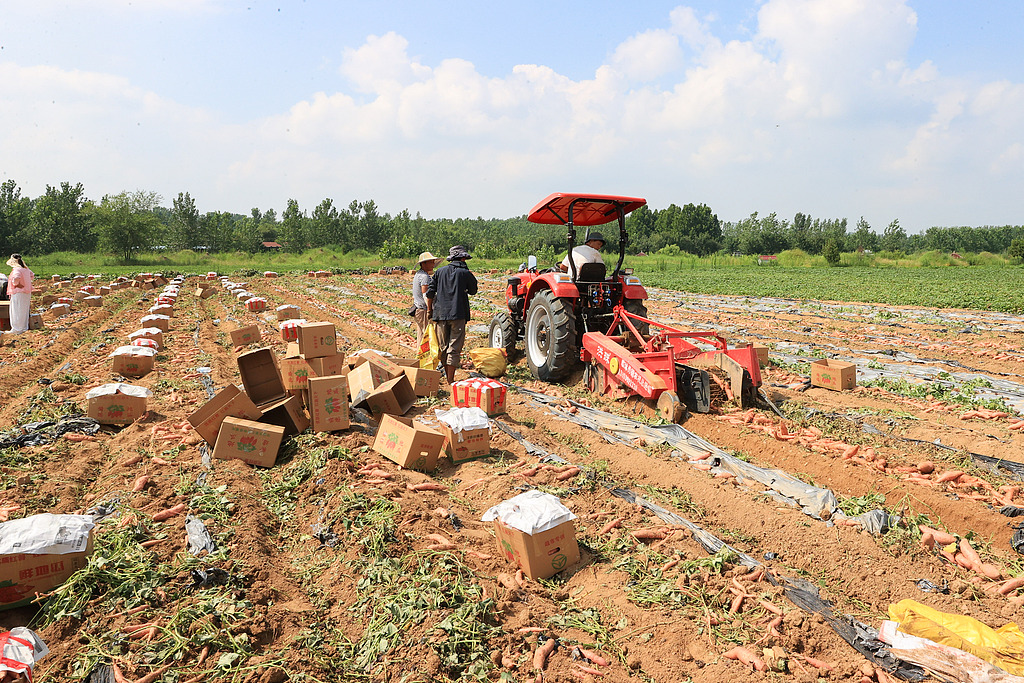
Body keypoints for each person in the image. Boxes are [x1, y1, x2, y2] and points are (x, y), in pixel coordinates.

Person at [427, 245, 478, 384]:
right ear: (462, 258)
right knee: (454, 348)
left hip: (440, 314)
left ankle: (447, 376)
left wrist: (429, 310)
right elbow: (473, 290)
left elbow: (430, 292)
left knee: (443, 347)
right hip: (458, 313)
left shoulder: (440, 272)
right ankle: (450, 379)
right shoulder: (465, 273)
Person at [411, 251, 443, 347]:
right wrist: (430, 310)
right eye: (431, 262)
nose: (433, 265)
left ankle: (420, 359)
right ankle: (425, 360)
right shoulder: (424, 277)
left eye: (433, 262)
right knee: (427, 337)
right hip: (423, 310)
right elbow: (426, 295)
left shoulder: (418, 274)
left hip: (418, 309)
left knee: (421, 336)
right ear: (423, 263)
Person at [6, 254, 33, 334]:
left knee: (16, 310)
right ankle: (23, 327)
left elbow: (16, 278)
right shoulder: (26, 269)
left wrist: (16, 284)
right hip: (26, 292)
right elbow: (32, 275)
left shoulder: (17, 270)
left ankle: (16, 329)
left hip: (18, 292)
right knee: (24, 310)